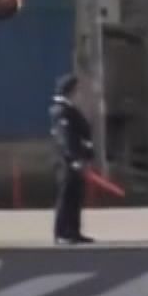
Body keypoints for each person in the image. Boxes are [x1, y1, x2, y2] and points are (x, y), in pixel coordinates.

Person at [50, 73, 96, 245]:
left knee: (76, 197)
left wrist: (87, 156)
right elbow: (65, 138)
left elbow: (83, 135)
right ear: (70, 91)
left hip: (78, 162)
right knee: (66, 197)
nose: (79, 94)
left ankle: (74, 231)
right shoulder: (61, 111)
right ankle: (62, 232)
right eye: (77, 90)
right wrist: (74, 159)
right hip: (67, 163)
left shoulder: (71, 110)